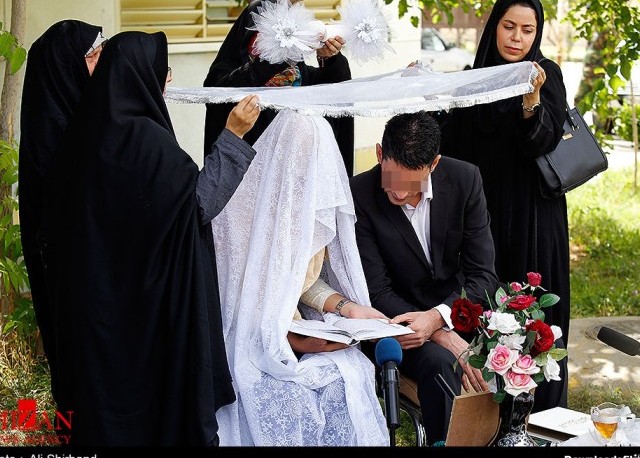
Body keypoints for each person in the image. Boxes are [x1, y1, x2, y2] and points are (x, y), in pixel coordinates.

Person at [40, 31, 260, 446]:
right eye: (163, 69)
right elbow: (197, 205)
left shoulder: (83, 135)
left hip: (103, 310)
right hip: (154, 312)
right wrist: (233, 137)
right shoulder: (148, 143)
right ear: (140, 76)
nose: (169, 79)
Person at [211, 109, 389, 446]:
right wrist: (300, 342)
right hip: (243, 344)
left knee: (350, 372)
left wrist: (345, 307)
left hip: (289, 333)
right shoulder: (239, 213)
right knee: (291, 390)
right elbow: (236, 303)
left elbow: (301, 282)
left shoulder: (304, 209)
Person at [437, 0, 570, 413]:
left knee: (532, 312)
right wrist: (424, 93)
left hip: (532, 215)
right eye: (509, 26)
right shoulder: (473, 79)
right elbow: (450, 141)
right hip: (481, 213)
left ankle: (538, 415)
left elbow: (542, 141)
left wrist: (530, 101)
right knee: (484, 307)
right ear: (494, 26)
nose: (516, 38)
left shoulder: (544, 74)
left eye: (527, 30)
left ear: (537, 33)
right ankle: (485, 415)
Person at [349, 111, 498, 445]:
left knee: (526, 339)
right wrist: (438, 334)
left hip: (459, 309)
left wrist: (438, 318)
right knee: (440, 362)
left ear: (434, 164)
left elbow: (483, 275)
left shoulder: (465, 179)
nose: (399, 193)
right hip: (396, 322)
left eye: (410, 182)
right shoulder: (359, 194)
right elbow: (376, 289)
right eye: (392, 179)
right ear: (379, 154)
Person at [18, 19, 107, 408]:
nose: (102, 63)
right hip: (75, 280)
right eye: (92, 56)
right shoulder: (55, 135)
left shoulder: (87, 114)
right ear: (64, 68)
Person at [203, 0, 355, 175]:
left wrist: (329, 59)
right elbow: (220, 89)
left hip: (297, 162)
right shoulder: (257, 16)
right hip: (255, 161)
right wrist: (271, 62)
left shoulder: (295, 60)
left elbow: (316, 84)